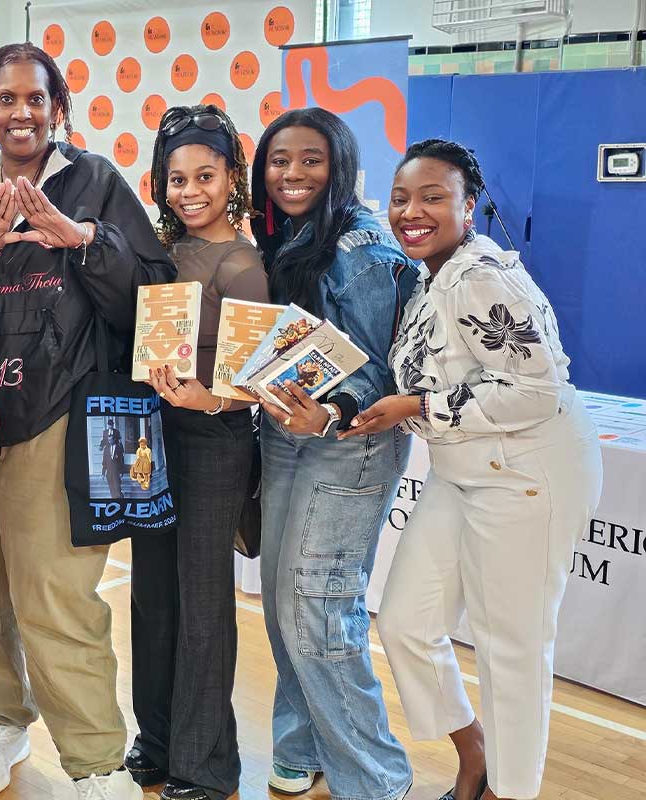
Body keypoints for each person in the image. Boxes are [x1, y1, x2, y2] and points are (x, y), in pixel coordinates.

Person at [0, 42, 176, 800]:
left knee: (56, 596)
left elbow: (154, 295)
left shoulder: (95, 182)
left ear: (57, 108)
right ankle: (1, 721)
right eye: (5, 99)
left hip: (64, 412)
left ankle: (96, 759)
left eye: (35, 98)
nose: (21, 112)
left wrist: (85, 241)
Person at [345, 139, 604, 800]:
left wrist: (419, 405)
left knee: (511, 648)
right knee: (405, 621)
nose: (412, 211)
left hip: (527, 472)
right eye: (402, 197)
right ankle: (476, 750)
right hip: (465, 472)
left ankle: (507, 792)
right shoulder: (437, 275)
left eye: (433, 197)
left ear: (469, 207)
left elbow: (537, 390)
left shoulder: (481, 276)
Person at [250, 108, 419, 800]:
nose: (292, 174)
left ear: (340, 166)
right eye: (280, 160)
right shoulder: (284, 235)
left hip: (350, 445)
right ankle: (303, 742)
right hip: (286, 438)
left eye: (310, 160)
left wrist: (335, 411)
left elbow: (389, 370)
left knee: (318, 610)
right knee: (282, 606)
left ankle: (376, 777)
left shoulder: (365, 248)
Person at [128, 104, 268, 800]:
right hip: (152, 436)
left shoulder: (243, 264)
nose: (190, 191)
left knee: (203, 605)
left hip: (213, 442)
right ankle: (154, 744)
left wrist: (205, 399)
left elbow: (255, 382)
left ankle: (205, 768)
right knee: (153, 597)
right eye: (176, 177)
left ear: (232, 177)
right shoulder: (159, 249)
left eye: (204, 176)